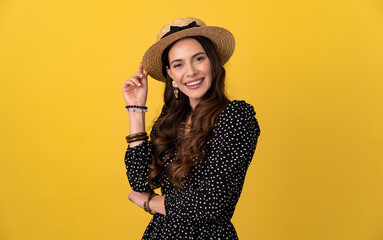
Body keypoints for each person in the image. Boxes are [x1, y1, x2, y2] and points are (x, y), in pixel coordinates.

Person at [122, 17, 261, 239]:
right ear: (171, 74)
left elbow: (208, 204)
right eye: (178, 64)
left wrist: (149, 202)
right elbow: (140, 181)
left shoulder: (235, 117)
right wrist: (136, 108)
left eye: (198, 59)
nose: (190, 72)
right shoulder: (171, 119)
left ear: (213, 62)